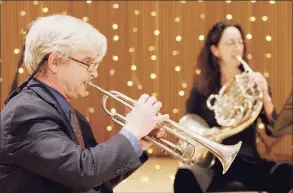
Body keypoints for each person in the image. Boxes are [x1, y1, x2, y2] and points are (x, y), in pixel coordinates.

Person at [0, 14, 169, 193]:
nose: (94, 74)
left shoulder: (70, 115)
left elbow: (97, 182)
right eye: (88, 63)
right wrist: (131, 131)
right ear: (55, 62)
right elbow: (85, 172)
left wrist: (138, 143)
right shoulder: (26, 112)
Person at [173, 21, 293, 193]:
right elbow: (190, 130)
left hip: (248, 162)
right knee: (184, 178)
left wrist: (265, 96)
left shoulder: (253, 86)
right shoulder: (201, 90)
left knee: (288, 173)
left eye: (240, 42)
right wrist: (214, 135)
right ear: (215, 50)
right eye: (230, 43)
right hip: (215, 165)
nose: (237, 47)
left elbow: (274, 132)